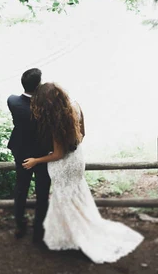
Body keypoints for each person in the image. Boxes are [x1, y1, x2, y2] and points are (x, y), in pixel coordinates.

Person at [22, 83, 144, 264]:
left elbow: (58, 154)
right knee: (77, 196)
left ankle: (76, 237)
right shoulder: (75, 106)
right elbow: (82, 134)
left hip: (63, 165)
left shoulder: (56, 120)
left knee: (66, 201)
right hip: (77, 158)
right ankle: (78, 231)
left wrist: (36, 160)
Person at [7, 68, 51, 243]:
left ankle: (20, 225)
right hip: (41, 155)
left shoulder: (12, 101)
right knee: (42, 192)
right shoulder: (46, 107)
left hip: (22, 153)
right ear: (39, 86)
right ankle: (38, 231)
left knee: (21, 189)